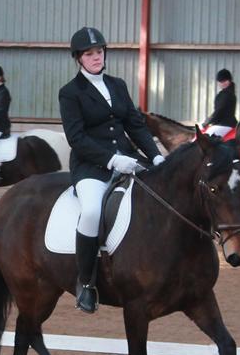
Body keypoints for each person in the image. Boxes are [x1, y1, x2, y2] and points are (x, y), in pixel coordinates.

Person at [58, 27, 166, 314]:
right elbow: (76, 138)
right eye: (89, 54)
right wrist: (111, 160)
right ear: (79, 59)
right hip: (91, 166)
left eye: (99, 52)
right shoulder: (70, 93)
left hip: (130, 157)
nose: (96, 57)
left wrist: (155, 157)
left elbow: (135, 124)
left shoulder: (118, 85)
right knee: (92, 211)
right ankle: (86, 283)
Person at [202, 68, 237, 138]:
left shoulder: (226, 94)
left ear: (229, 81)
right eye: (220, 81)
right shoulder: (227, 93)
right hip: (223, 124)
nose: (222, 83)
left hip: (224, 124)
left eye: (225, 81)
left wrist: (206, 123)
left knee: (204, 139)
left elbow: (219, 111)